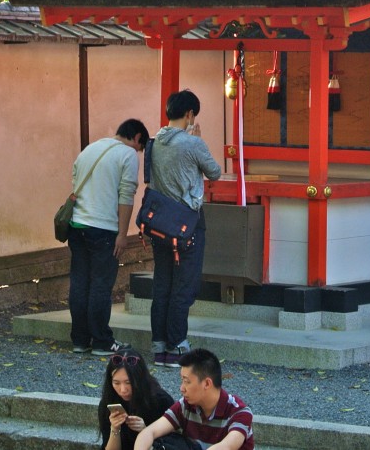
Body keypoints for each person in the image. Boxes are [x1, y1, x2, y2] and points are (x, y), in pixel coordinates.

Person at [148, 90, 222, 367]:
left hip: (159, 223)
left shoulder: (155, 143)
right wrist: (198, 141)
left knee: (163, 283)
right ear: (190, 114)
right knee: (185, 284)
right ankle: (177, 345)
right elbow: (214, 172)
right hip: (187, 222)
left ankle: (159, 347)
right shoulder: (192, 144)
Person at [68, 118, 149, 356]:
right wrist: (122, 235)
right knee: (101, 286)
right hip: (103, 228)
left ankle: (80, 340)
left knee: (80, 283)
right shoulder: (127, 155)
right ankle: (102, 341)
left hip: (77, 225)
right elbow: (126, 195)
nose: (138, 151)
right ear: (136, 138)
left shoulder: (90, 149)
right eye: (140, 146)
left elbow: (75, 180)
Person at [134, 347, 254, 450]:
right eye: (182, 381)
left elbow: (227, 446)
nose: (182, 388)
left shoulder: (239, 412)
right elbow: (149, 432)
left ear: (207, 383)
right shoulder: (185, 406)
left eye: (187, 381)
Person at [99, 349, 175, 450]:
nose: (123, 390)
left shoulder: (160, 401)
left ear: (140, 379)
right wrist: (115, 429)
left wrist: (146, 432)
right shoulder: (109, 402)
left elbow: (173, 443)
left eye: (129, 383)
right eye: (116, 383)